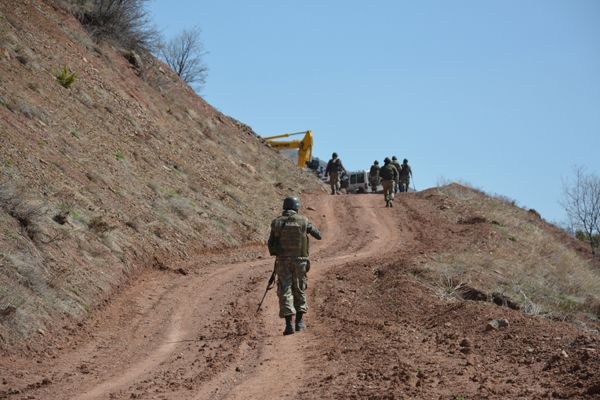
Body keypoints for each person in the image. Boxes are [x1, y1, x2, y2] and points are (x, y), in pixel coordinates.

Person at [268, 196, 322, 335]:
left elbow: (271, 243)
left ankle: (288, 325)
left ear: (284, 206)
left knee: (285, 290)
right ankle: (299, 323)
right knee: (299, 289)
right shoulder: (303, 220)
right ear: (296, 207)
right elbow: (318, 235)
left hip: (283, 261)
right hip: (300, 261)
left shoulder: (276, 222)